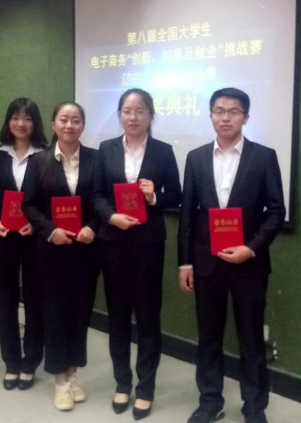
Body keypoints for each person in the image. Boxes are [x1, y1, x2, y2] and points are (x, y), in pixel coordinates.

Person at [178, 88, 285, 423]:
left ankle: (254, 406)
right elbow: (188, 215)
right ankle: (210, 402)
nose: (226, 117)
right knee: (208, 336)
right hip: (206, 262)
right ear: (211, 115)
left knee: (251, 338)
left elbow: (276, 211)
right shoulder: (196, 157)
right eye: (219, 111)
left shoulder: (263, 157)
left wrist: (250, 248)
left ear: (246, 117)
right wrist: (185, 262)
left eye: (234, 111)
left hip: (249, 264)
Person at [93, 88, 181, 420]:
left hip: (147, 244)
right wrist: (111, 216)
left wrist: (155, 196)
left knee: (147, 317)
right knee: (117, 317)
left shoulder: (163, 151)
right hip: (113, 242)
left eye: (140, 111)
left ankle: (145, 387)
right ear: (120, 115)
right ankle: (122, 382)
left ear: (150, 116)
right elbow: (97, 194)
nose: (133, 117)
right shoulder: (106, 149)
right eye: (127, 111)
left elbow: (177, 195)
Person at [21, 101, 101, 412]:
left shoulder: (95, 159)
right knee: (54, 313)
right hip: (51, 250)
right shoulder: (38, 161)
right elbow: (28, 205)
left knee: (80, 312)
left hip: (85, 250)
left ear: (83, 125)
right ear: (54, 124)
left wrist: (92, 227)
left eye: (76, 120)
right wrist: (50, 230)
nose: (70, 125)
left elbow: (101, 200)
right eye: (64, 119)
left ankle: (74, 372)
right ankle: (60, 379)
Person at [0, 98, 48, 391]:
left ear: (35, 123)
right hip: (2, 236)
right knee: (5, 300)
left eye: (27, 118)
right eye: (15, 118)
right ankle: (11, 363)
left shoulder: (46, 155)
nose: (21, 123)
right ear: (8, 122)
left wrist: (39, 224)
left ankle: (30, 362)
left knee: (34, 300)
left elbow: (53, 198)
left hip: (35, 238)